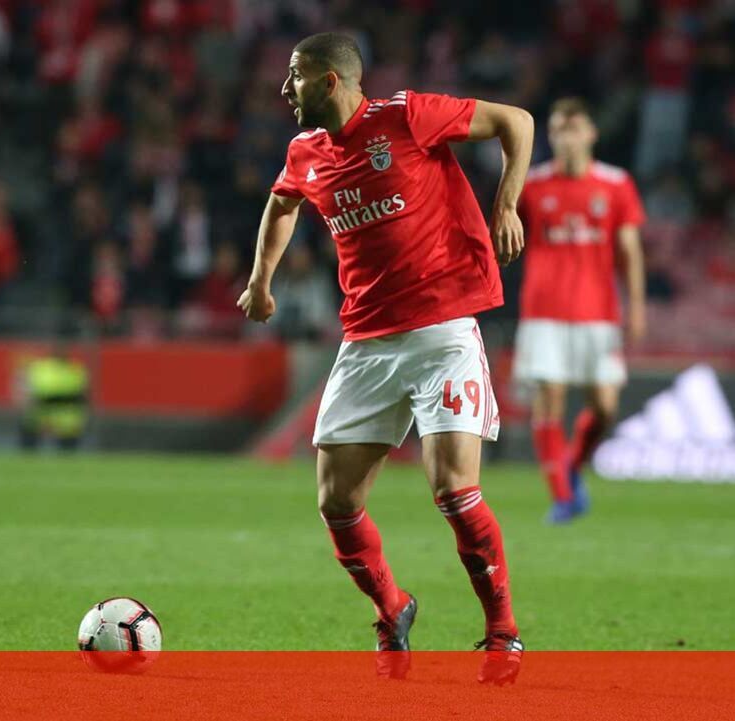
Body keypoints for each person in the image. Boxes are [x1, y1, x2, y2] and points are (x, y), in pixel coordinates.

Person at [236, 33, 533, 685]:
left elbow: (516, 120)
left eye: (295, 75)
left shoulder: (406, 116)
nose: (285, 88)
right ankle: (392, 608)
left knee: (455, 490)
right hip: (367, 340)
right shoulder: (305, 151)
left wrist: (506, 203)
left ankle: (503, 632)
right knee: (337, 503)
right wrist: (261, 281)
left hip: (442, 329)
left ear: (330, 80)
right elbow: (282, 203)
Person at [515, 98, 647, 524]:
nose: (566, 138)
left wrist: (636, 305)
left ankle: (570, 467)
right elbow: (505, 233)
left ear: (591, 133)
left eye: (574, 129)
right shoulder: (531, 185)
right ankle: (563, 497)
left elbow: (629, 249)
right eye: (558, 130)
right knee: (549, 399)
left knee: (605, 408)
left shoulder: (615, 184)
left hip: (598, 313)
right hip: (544, 310)